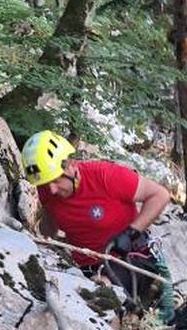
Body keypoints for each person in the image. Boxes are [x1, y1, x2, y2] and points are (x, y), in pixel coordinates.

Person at [22, 130, 174, 317]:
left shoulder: (104, 176)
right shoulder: (47, 190)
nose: (51, 189)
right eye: (46, 184)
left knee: (103, 293)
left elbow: (160, 195)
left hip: (129, 257)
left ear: (69, 166)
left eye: (55, 180)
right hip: (84, 266)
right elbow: (50, 226)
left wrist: (131, 232)